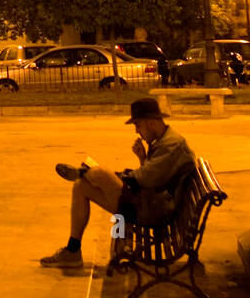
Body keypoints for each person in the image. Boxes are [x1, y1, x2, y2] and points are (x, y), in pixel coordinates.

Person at [40, 97, 196, 269]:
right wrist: (142, 159)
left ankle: (83, 172)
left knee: (99, 173)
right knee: (80, 187)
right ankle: (73, 251)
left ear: (151, 123)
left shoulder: (171, 146)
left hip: (154, 210)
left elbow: (142, 179)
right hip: (150, 202)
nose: (137, 131)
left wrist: (113, 177)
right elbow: (153, 178)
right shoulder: (163, 141)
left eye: (138, 125)